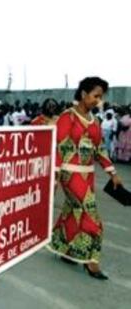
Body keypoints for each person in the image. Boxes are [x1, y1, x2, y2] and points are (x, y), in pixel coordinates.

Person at [48, 77, 122, 280]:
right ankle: (92, 262)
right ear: (83, 94)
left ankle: (64, 248)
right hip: (70, 174)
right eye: (95, 96)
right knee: (92, 218)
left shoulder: (95, 120)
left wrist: (112, 173)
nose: (98, 101)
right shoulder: (67, 117)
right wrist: (54, 179)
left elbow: (100, 149)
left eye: (100, 97)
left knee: (73, 212)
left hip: (88, 175)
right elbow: (58, 149)